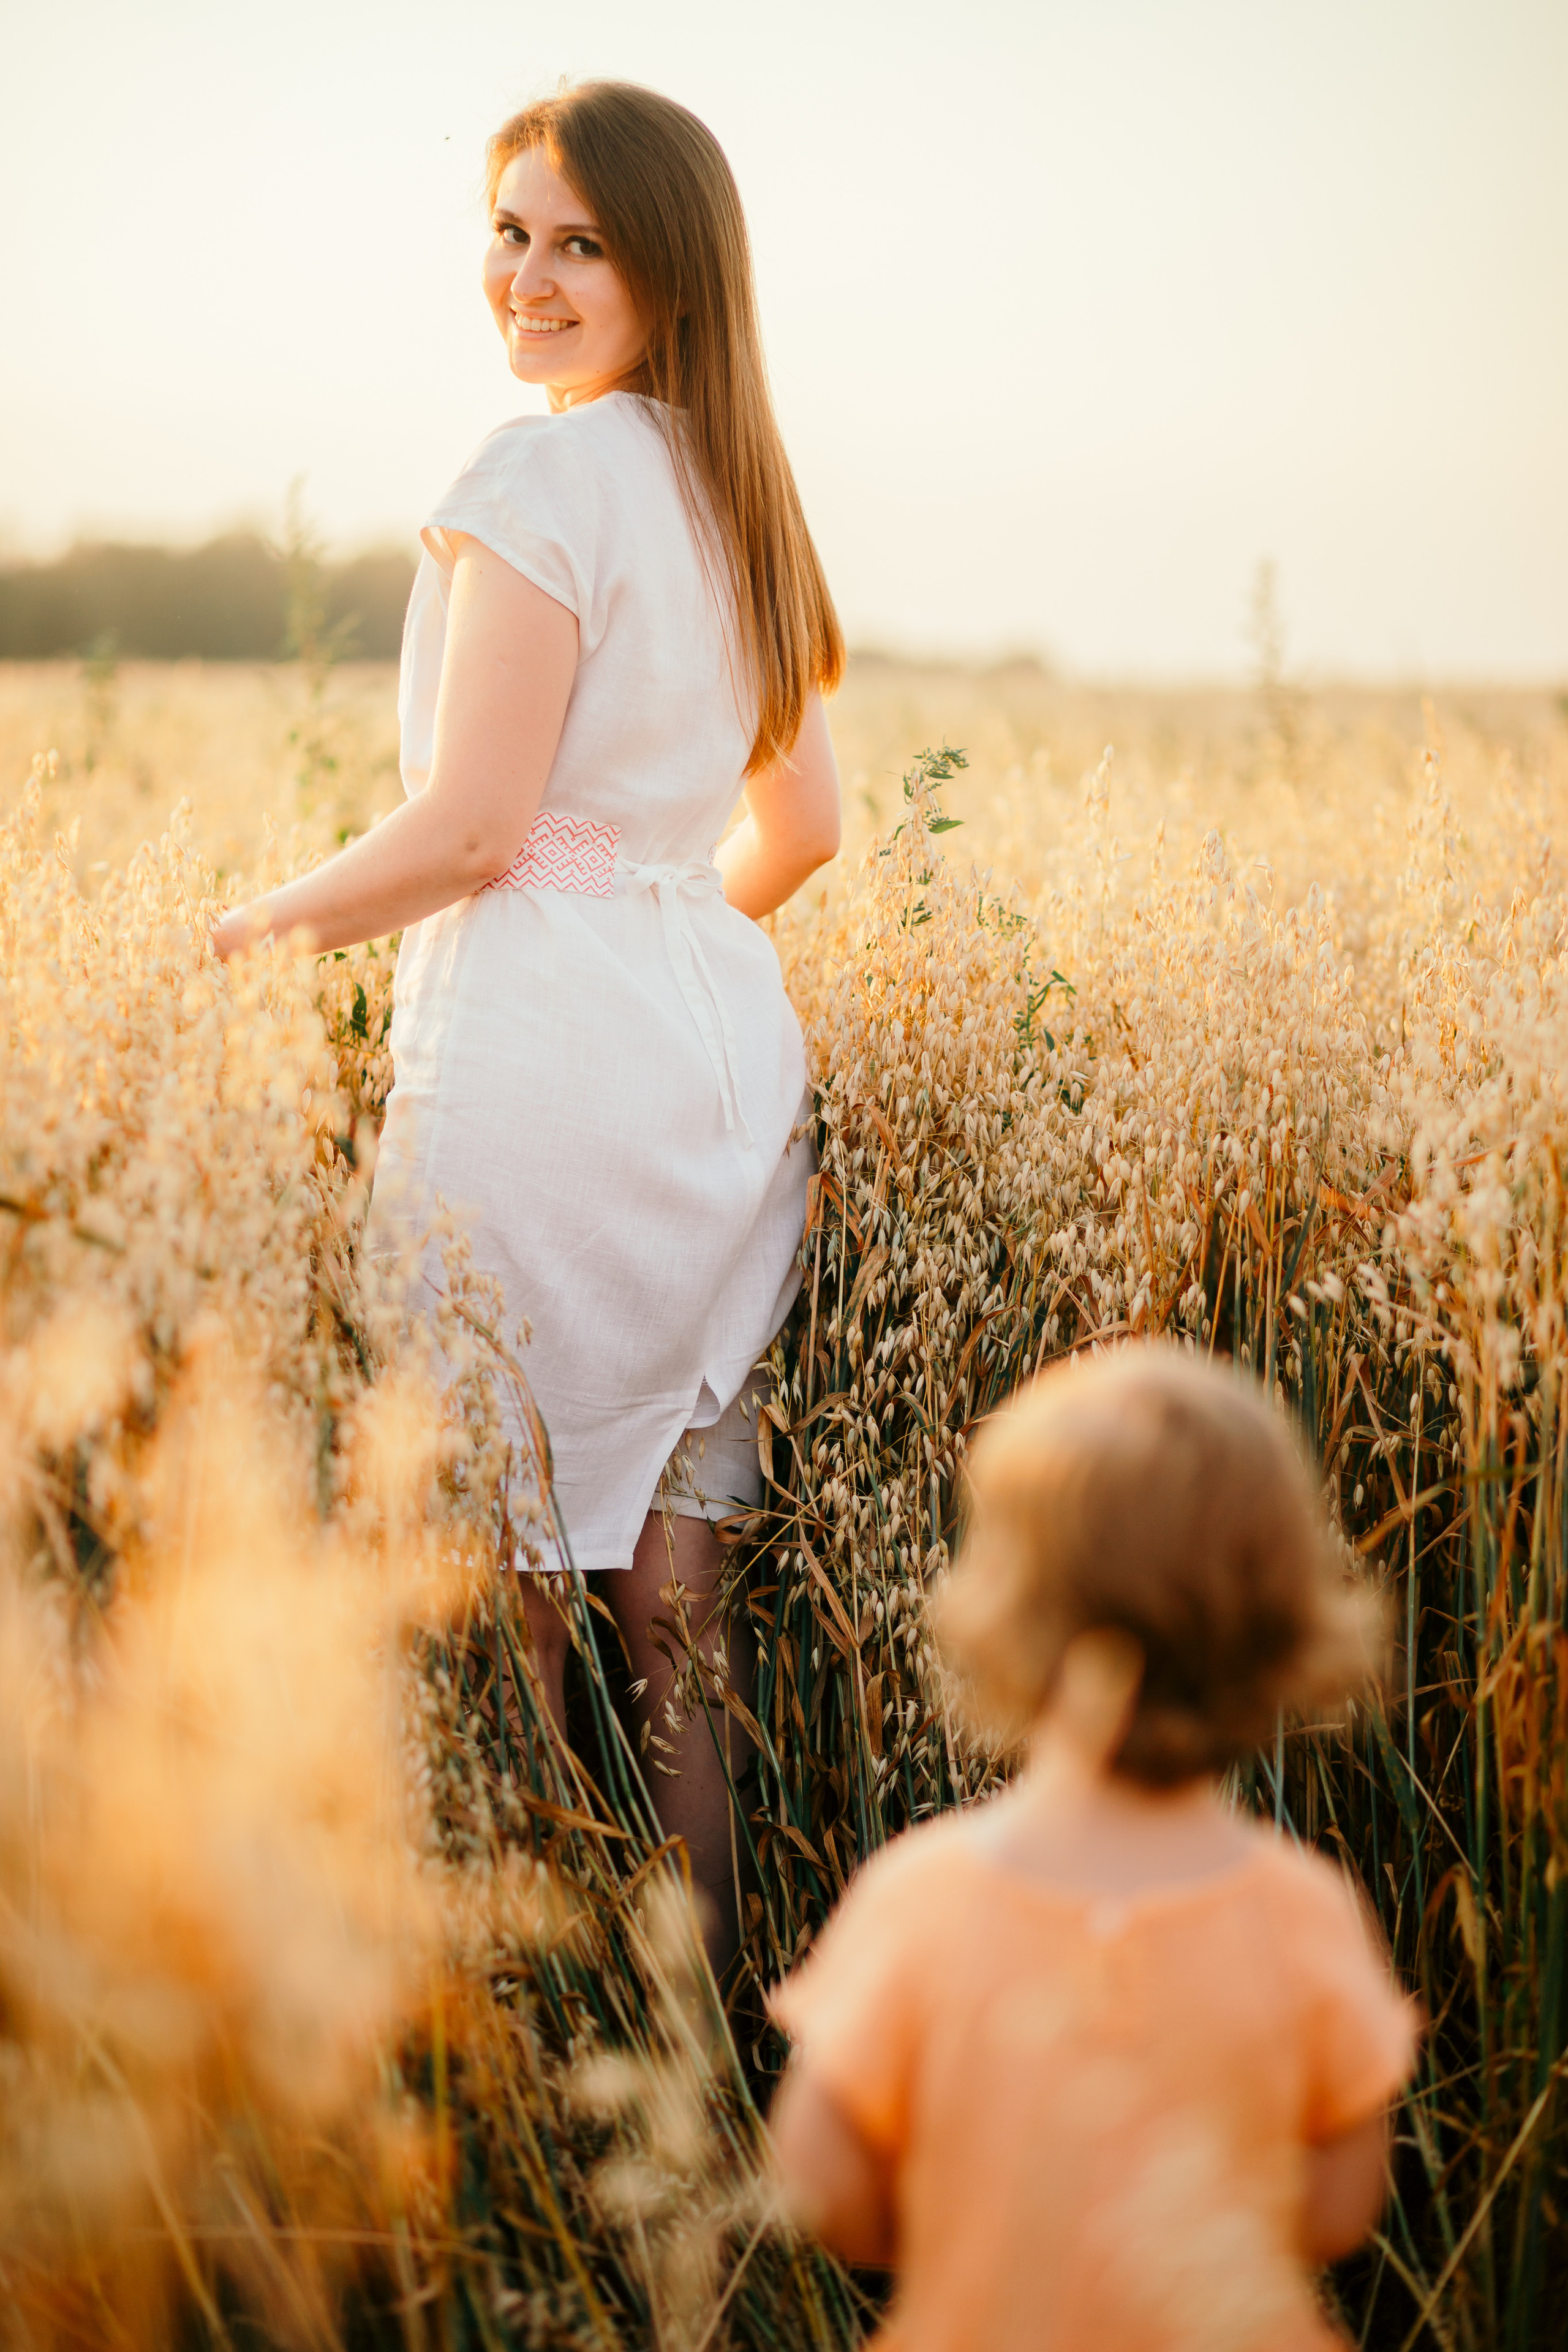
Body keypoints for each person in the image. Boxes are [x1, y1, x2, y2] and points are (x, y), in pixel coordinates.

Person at [212, 83, 844, 1974]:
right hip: (722, 1068)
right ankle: (698, 2031)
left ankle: (524, 2044)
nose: (531, 277)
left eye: (579, 240)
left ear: (668, 266)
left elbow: (477, 832)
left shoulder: (539, 477)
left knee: (495, 1583)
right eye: (509, 230)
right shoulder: (744, 489)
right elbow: (798, 834)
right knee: (678, 1608)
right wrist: (642, 931)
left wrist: (251, 934)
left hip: (539, 1078)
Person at [769, 1348, 1417, 2352]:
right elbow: (1340, 2207)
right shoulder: (1303, 1908)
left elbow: (819, 2183)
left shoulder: (921, 1896)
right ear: (1280, 1620)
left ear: (1008, 1613)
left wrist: (976, 2236)